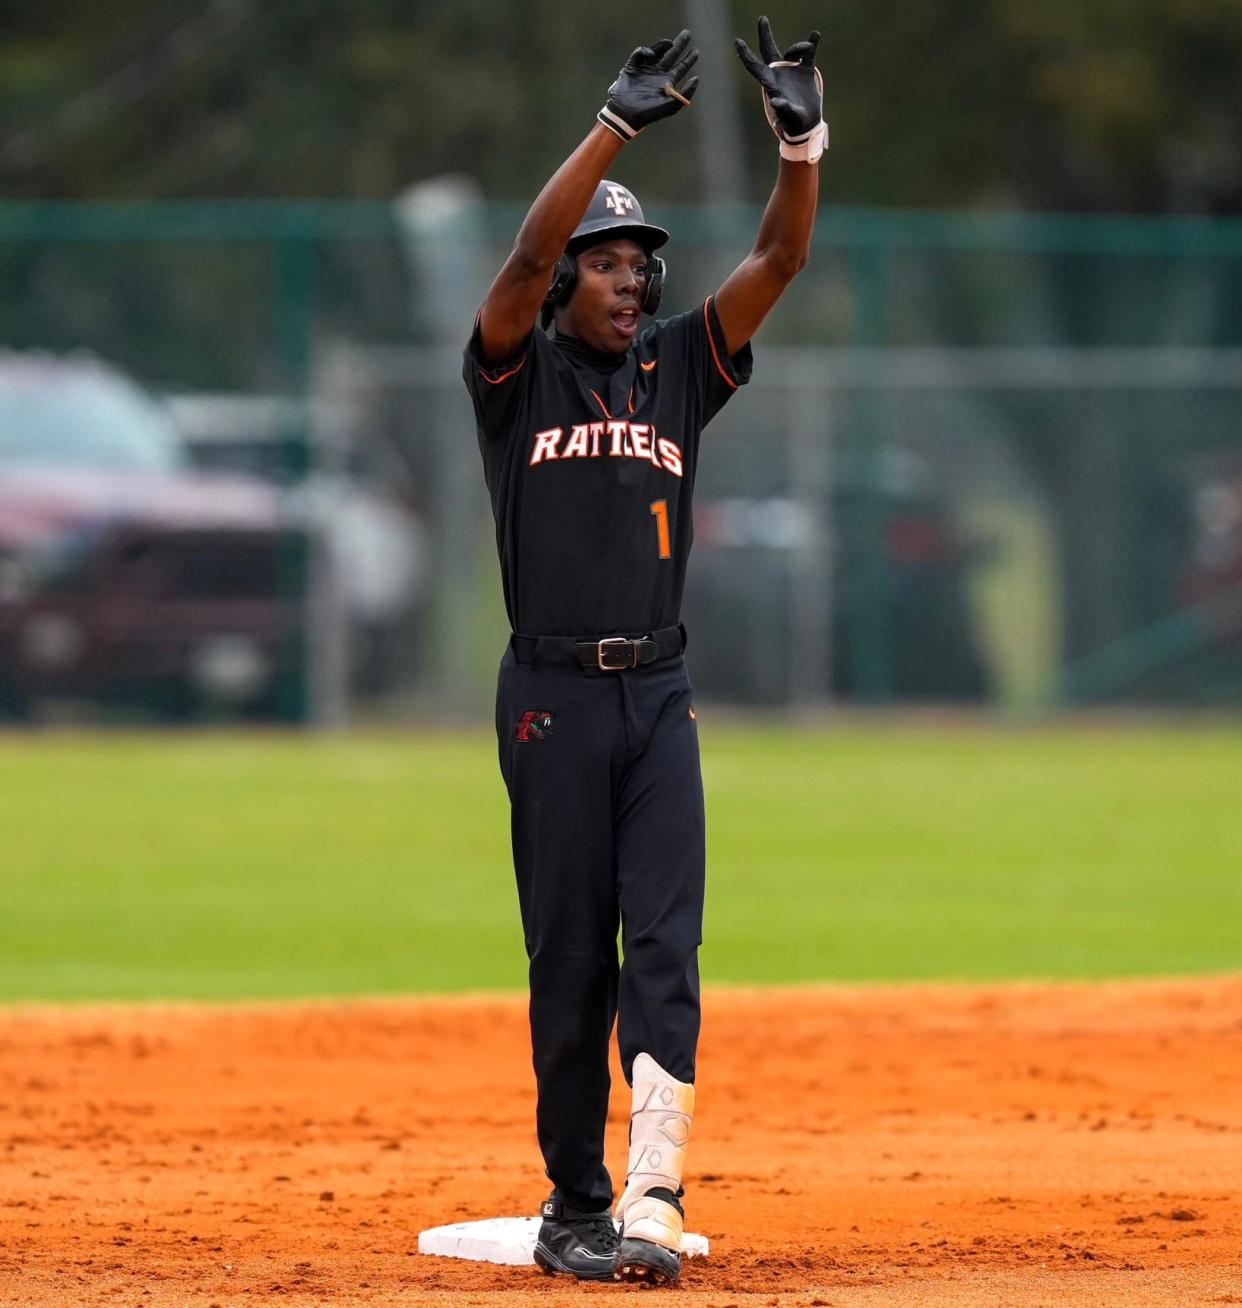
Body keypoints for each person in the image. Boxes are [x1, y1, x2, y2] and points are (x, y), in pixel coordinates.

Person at [462, 16, 824, 1287]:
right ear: (565, 283)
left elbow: (782, 252)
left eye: (641, 266)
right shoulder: (517, 375)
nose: (631, 282)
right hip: (551, 697)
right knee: (570, 955)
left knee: (666, 940)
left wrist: (801, 138)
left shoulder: (678, 370)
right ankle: (576, 1205)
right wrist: (612, 127)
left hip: (656, 692)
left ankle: (657, 1191)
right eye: (606, 263)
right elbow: (518, 256)